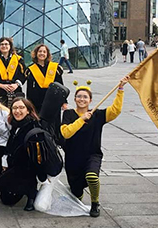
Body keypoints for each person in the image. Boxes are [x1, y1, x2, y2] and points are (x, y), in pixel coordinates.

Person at [60, 76, 129, 217]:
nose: (82, 99)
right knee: (76, 191)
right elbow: (66, 133)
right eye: (79, 96)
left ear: (90, 100)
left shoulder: (97, 114)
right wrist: (82, 119)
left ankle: (95, 202)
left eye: (85, 97)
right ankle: (76, 198)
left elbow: (115, 110)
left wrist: (120, 89)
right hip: (73, 158)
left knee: (92, 176)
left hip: (92, 154)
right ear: (74, 99)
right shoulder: (68, 114)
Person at [0, 97, 41, 211]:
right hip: (14, 164)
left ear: (28, 111)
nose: (17, 111)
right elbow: (10, 145)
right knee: (6, 200)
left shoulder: (33, 127)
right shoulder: (15, 124)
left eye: (21, 107)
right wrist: (5, 160)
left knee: (0, 184)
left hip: (27, 167)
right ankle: (23, 188)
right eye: (15, 108)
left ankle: (31, 192)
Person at [25, 44, 64, 113]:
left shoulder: (55, 68)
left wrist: (64, 101)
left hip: (53, 102)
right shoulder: (30, 70)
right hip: (37, 103)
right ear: (36, 53)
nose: (42, 53)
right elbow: (29, 89)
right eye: (40, 51)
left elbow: (60, 85)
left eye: (44, 52)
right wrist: (28, 103)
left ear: (47, 54)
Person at [0, 37, 26, 106]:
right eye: (2, 44)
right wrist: (1, 85)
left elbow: (23, 74)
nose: (4, 46)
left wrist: (16, 84)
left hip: (15, 90)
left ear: (10, 46)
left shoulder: (19, 60)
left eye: (6, 44)